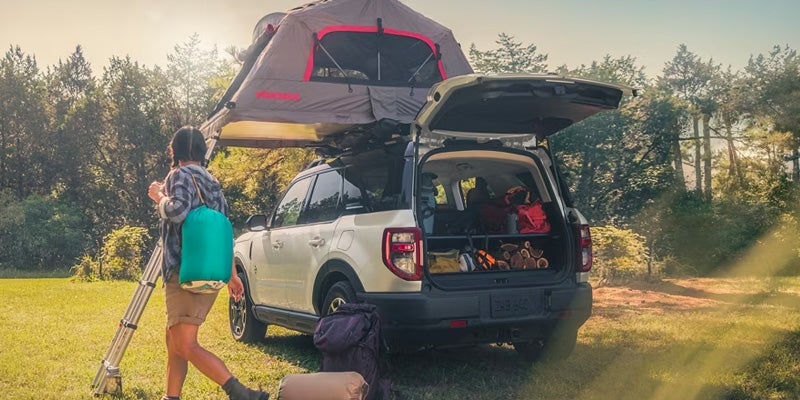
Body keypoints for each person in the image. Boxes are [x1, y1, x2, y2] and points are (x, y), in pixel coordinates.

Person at [148, 126, 269, 400]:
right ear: (202, 151)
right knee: (174, 340)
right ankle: (171, 397)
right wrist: (232, 275)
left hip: (185, 271)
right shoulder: (212, 183)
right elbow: (222, 232)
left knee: (185, 343)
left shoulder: (178, 175)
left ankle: (241, 394)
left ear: (175, 151)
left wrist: (159, 197)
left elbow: (177, 211)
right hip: (211, 271)